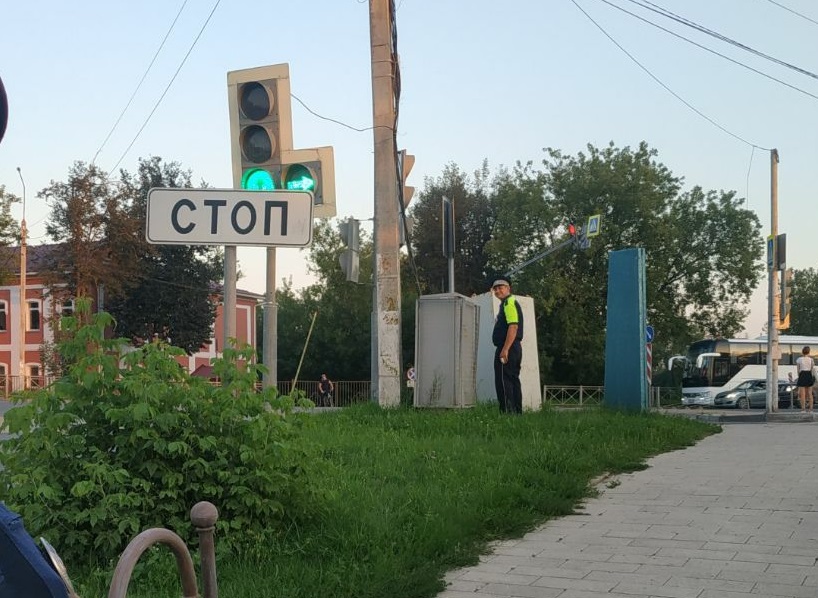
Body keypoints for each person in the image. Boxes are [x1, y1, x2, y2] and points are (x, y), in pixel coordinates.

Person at [491, 279, 523, 414]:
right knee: (512, 379)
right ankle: (517, 412)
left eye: (500, 288)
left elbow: (513, 325)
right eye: (495, 289)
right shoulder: (506, 303)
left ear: (508, 288)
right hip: (513, 347)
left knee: (504, 382)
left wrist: (505, 349)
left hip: (507, 347)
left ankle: (507, 413)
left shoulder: (509, 303)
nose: (498, 291)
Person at [795, 346, 814, 413]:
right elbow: (811, 369)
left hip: (802, 375)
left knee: (802, 394)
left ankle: (803, 409)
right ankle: (810, 409)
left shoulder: (799, 359)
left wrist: (799, 377)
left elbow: (798, 370)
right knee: (810, 393)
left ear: (802, 351)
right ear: (809, 352)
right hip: (809, 374)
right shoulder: (811, 359)